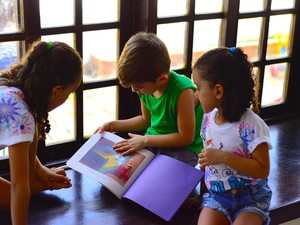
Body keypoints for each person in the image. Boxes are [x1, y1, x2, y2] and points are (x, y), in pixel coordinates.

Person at [0, 41, 83, 225]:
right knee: (9, 200)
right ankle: (36, 183)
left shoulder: (13, 86)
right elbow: (18, 186)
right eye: (69, 94)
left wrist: (40, 170)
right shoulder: (21, 115)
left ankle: (36, 180)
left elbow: (23, 141)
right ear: (56, 91)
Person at [95, 32, 204, 167]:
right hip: (153, 140)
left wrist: (145, 140)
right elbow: (145, 120)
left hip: (184, 149)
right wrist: (113, 125)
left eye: (138, 86)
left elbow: (186, 138)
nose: (134, 90)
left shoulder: (183, 91)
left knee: (163, 182)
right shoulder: (146, 88)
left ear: (161, 79)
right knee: (124, 168)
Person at [192, 47, 272, 225]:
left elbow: (262, 169)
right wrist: (202, 195)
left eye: (198, 87)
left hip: (251, 199)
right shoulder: (207, 121)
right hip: (217, 198)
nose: (196, 94)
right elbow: (207, 165)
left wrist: (223, 157)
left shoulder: (251, 125)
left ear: (218, 91)